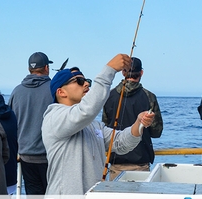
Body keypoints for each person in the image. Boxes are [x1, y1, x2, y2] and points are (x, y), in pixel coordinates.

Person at [41, 54, 155, 195]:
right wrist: (110, 69)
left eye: (87, 80)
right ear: (61, 92)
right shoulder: (54, 117)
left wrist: (139, 123)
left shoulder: (93, 126)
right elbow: (87, 110)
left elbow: (120, 142)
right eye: (79, 81)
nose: (87, 84)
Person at [102, 57, 163, 180]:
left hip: (115, 163)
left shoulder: (109, 96)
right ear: (141, 72)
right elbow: (156, 132)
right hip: (141, 163)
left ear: (123, 72)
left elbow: (105, 128)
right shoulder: (149, 97)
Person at [8, 52, 53, 194]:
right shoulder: (55, 89)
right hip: (50, 156)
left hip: (25, 155)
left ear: (29, 69)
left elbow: (11, 120)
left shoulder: (17, 91)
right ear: (46, 67)